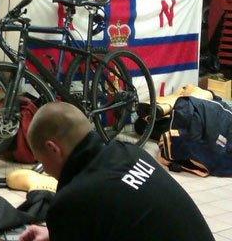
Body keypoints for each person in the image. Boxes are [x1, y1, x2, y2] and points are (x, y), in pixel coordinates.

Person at [19, 102, 214, 241]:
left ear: (53, 148)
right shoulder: (131, 153)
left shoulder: (71, 202)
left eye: (41, 160)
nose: (44, 168)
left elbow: (88, 208)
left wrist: (64, 226)